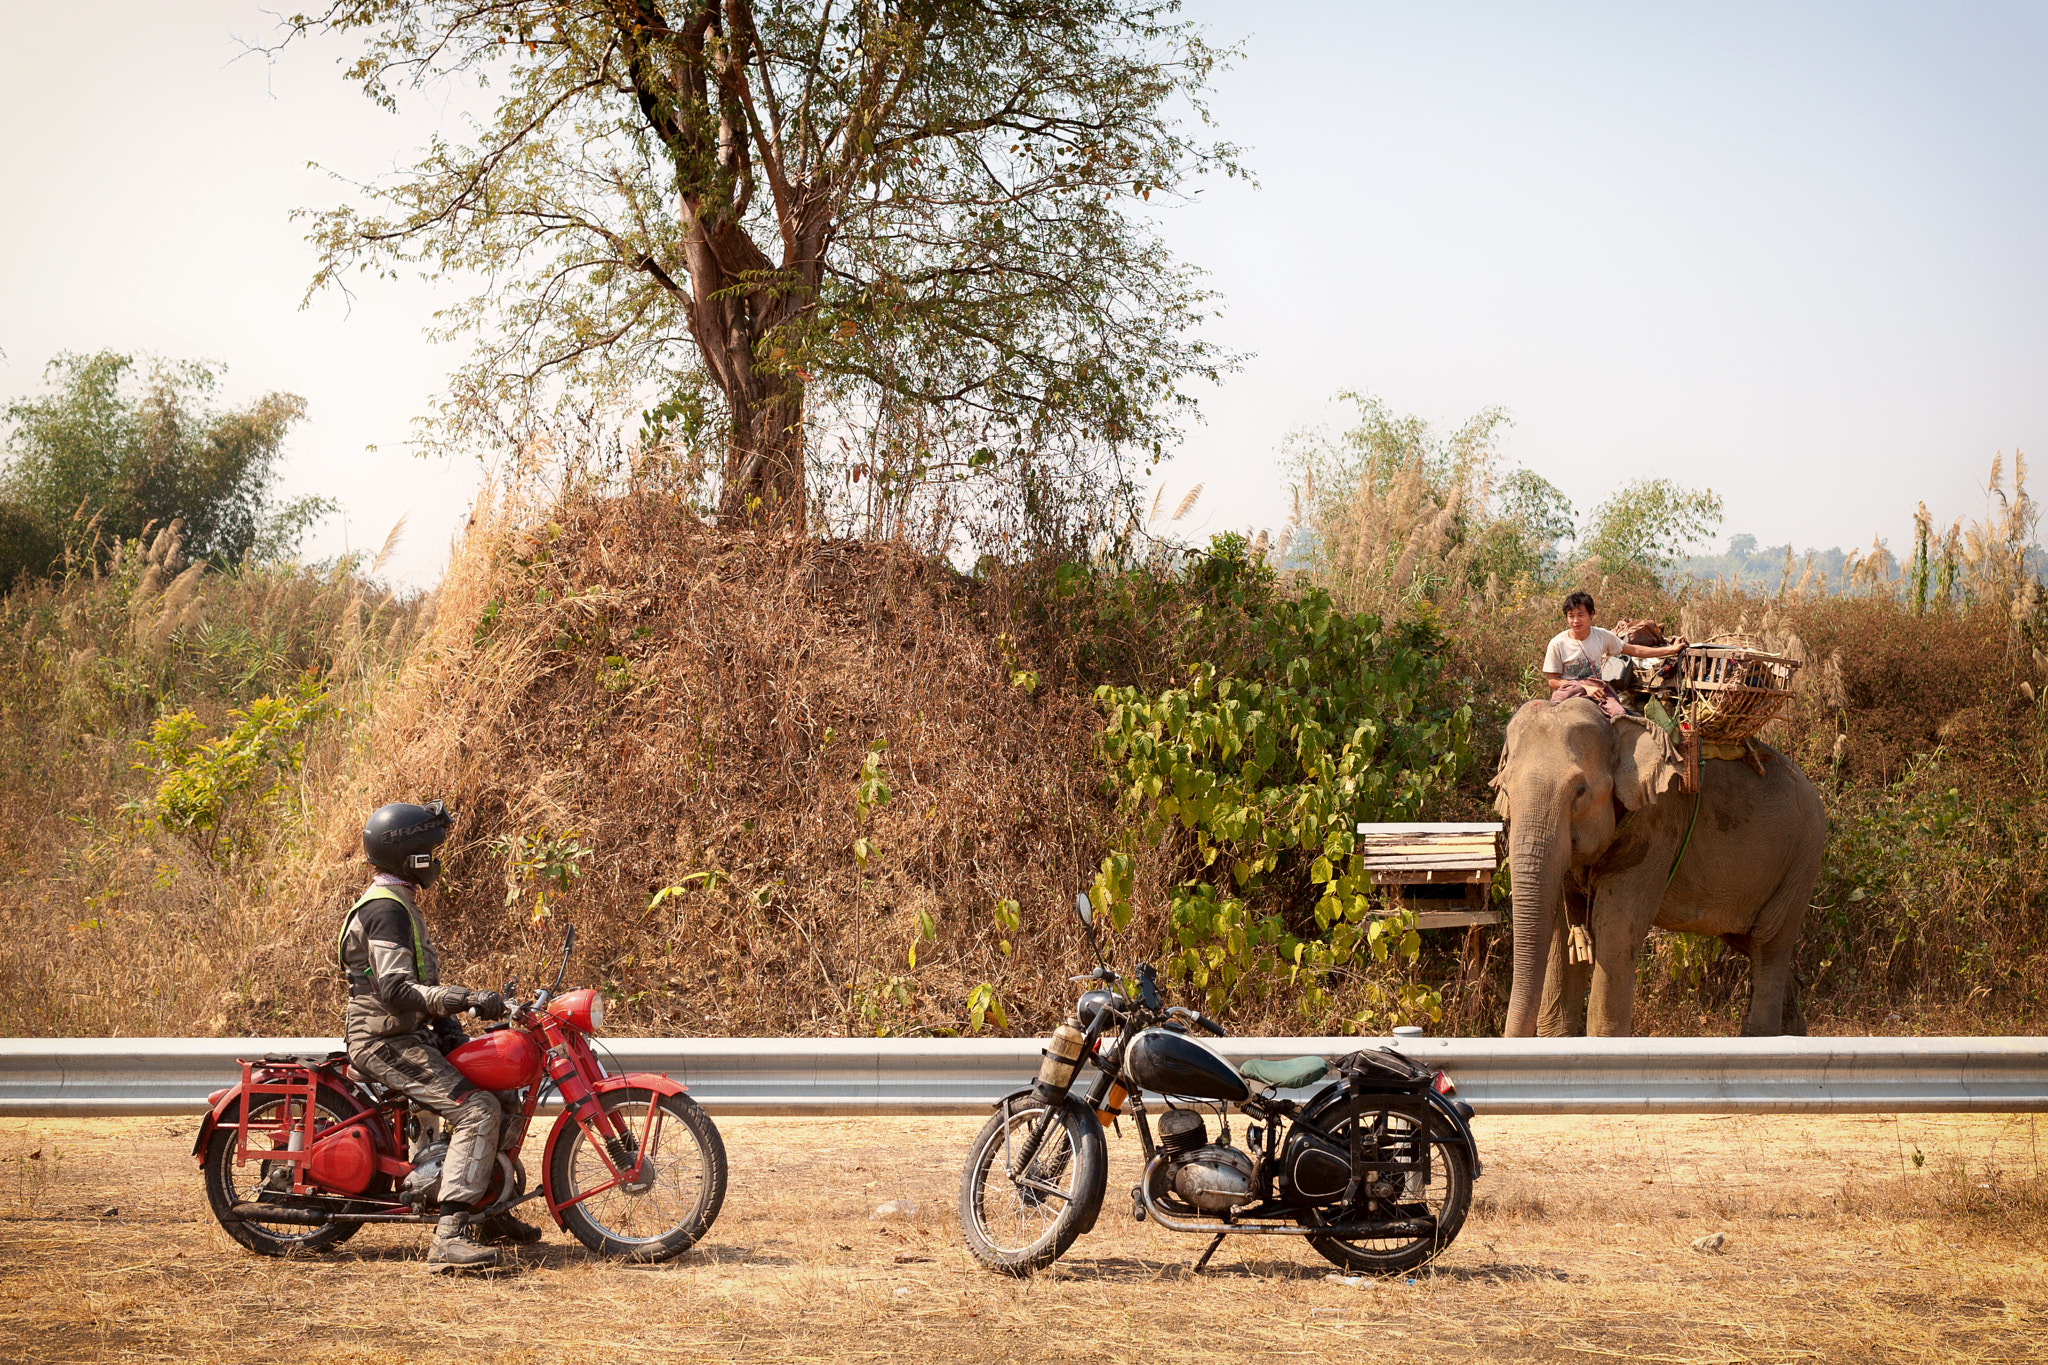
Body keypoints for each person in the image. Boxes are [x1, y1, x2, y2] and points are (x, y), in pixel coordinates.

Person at [337, 799, 542, 1271]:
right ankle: (449, 1235)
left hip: (410, 1035)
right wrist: (465, 997)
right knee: (477, 1109)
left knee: (502, 1094)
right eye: (432, 849)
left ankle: (488, 1209)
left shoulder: (400, 903)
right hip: (382, 1040)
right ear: (411, 855)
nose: (438, 859)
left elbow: (419, 985)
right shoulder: (385, 910)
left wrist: (454, 1029)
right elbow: (395, 989)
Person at [1542, 592, 1687, 694]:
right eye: (1571, 616)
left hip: (1597, 690)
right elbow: (1553, 681)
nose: (1575, 621)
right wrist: (1583, 688)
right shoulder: (1557, 643)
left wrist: (1671, 650)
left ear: (1591, 614)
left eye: (1580, 615)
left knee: (1618, 714)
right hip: (1569, 692)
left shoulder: (1603, 636)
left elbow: (1635, 651)